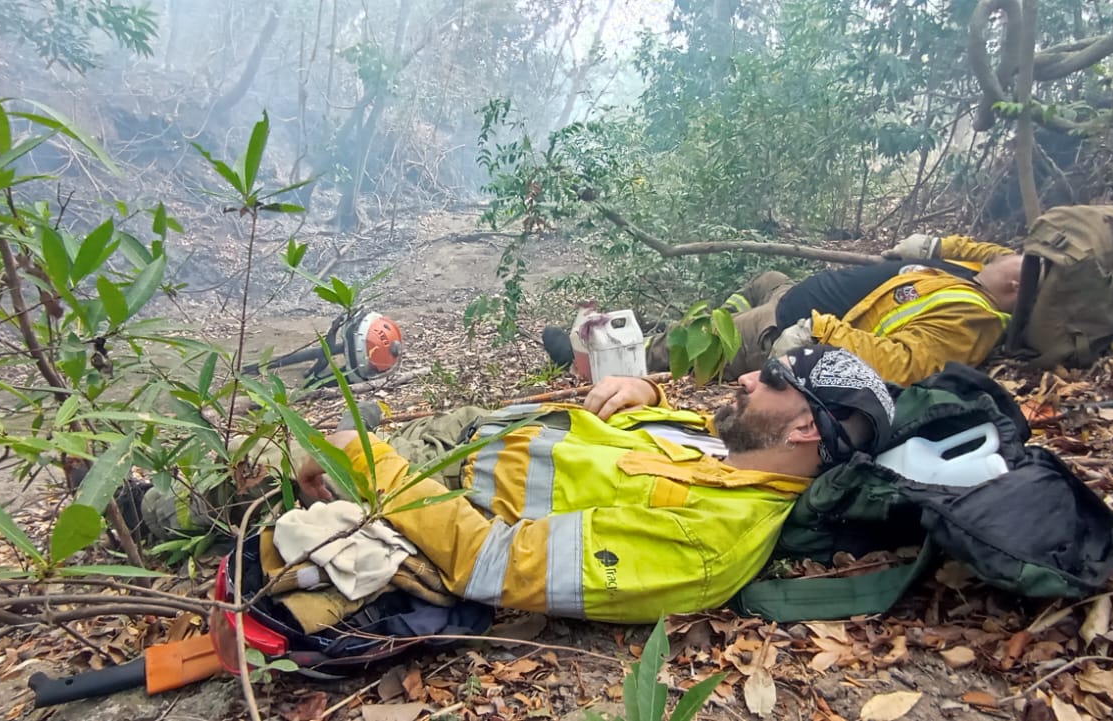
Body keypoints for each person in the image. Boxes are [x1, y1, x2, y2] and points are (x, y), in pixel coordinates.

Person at [290, 345, 894, 624]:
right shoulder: (739, 443)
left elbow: (488, 565)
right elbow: (653, 437)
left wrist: (369, 465)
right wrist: (647, 393)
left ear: (805, 427)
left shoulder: (709, 541)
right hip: (473, 430)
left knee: (245, 475)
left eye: (774, 377)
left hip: (424, 487)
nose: (744, 376)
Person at [543, 232, 1022, 387]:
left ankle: (604, 359)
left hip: (785, 327)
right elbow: (981, 249)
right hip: (789, 295)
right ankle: (694, 327)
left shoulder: (970, 317)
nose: (1003, 251)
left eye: (1014, 257)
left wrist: (819, 334)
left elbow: (907, 363)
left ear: (1017, 284)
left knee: (705, 339)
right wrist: (934, 243)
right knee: (761, 280)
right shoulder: (975, 266)